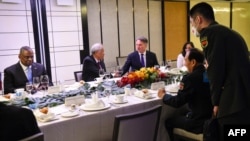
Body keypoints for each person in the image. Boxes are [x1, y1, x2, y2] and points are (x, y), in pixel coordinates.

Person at [190, 2, 250, 140]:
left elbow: (215, 71)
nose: (193, 27)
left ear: (199, 20)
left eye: (192, 23)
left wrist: (215, 102)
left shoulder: (209, 34)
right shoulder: (230, 32)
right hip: (244, 97)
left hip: (231, 102)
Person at [158, 48, 212, 141]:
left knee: (168, 122)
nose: (183, 63)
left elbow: (178, 102)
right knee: (183, 113)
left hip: (198, 122)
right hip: (209, 119)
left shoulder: (190, 78)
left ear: (193, 62)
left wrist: (164, 96)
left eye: (185, 60)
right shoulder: (207, 74)